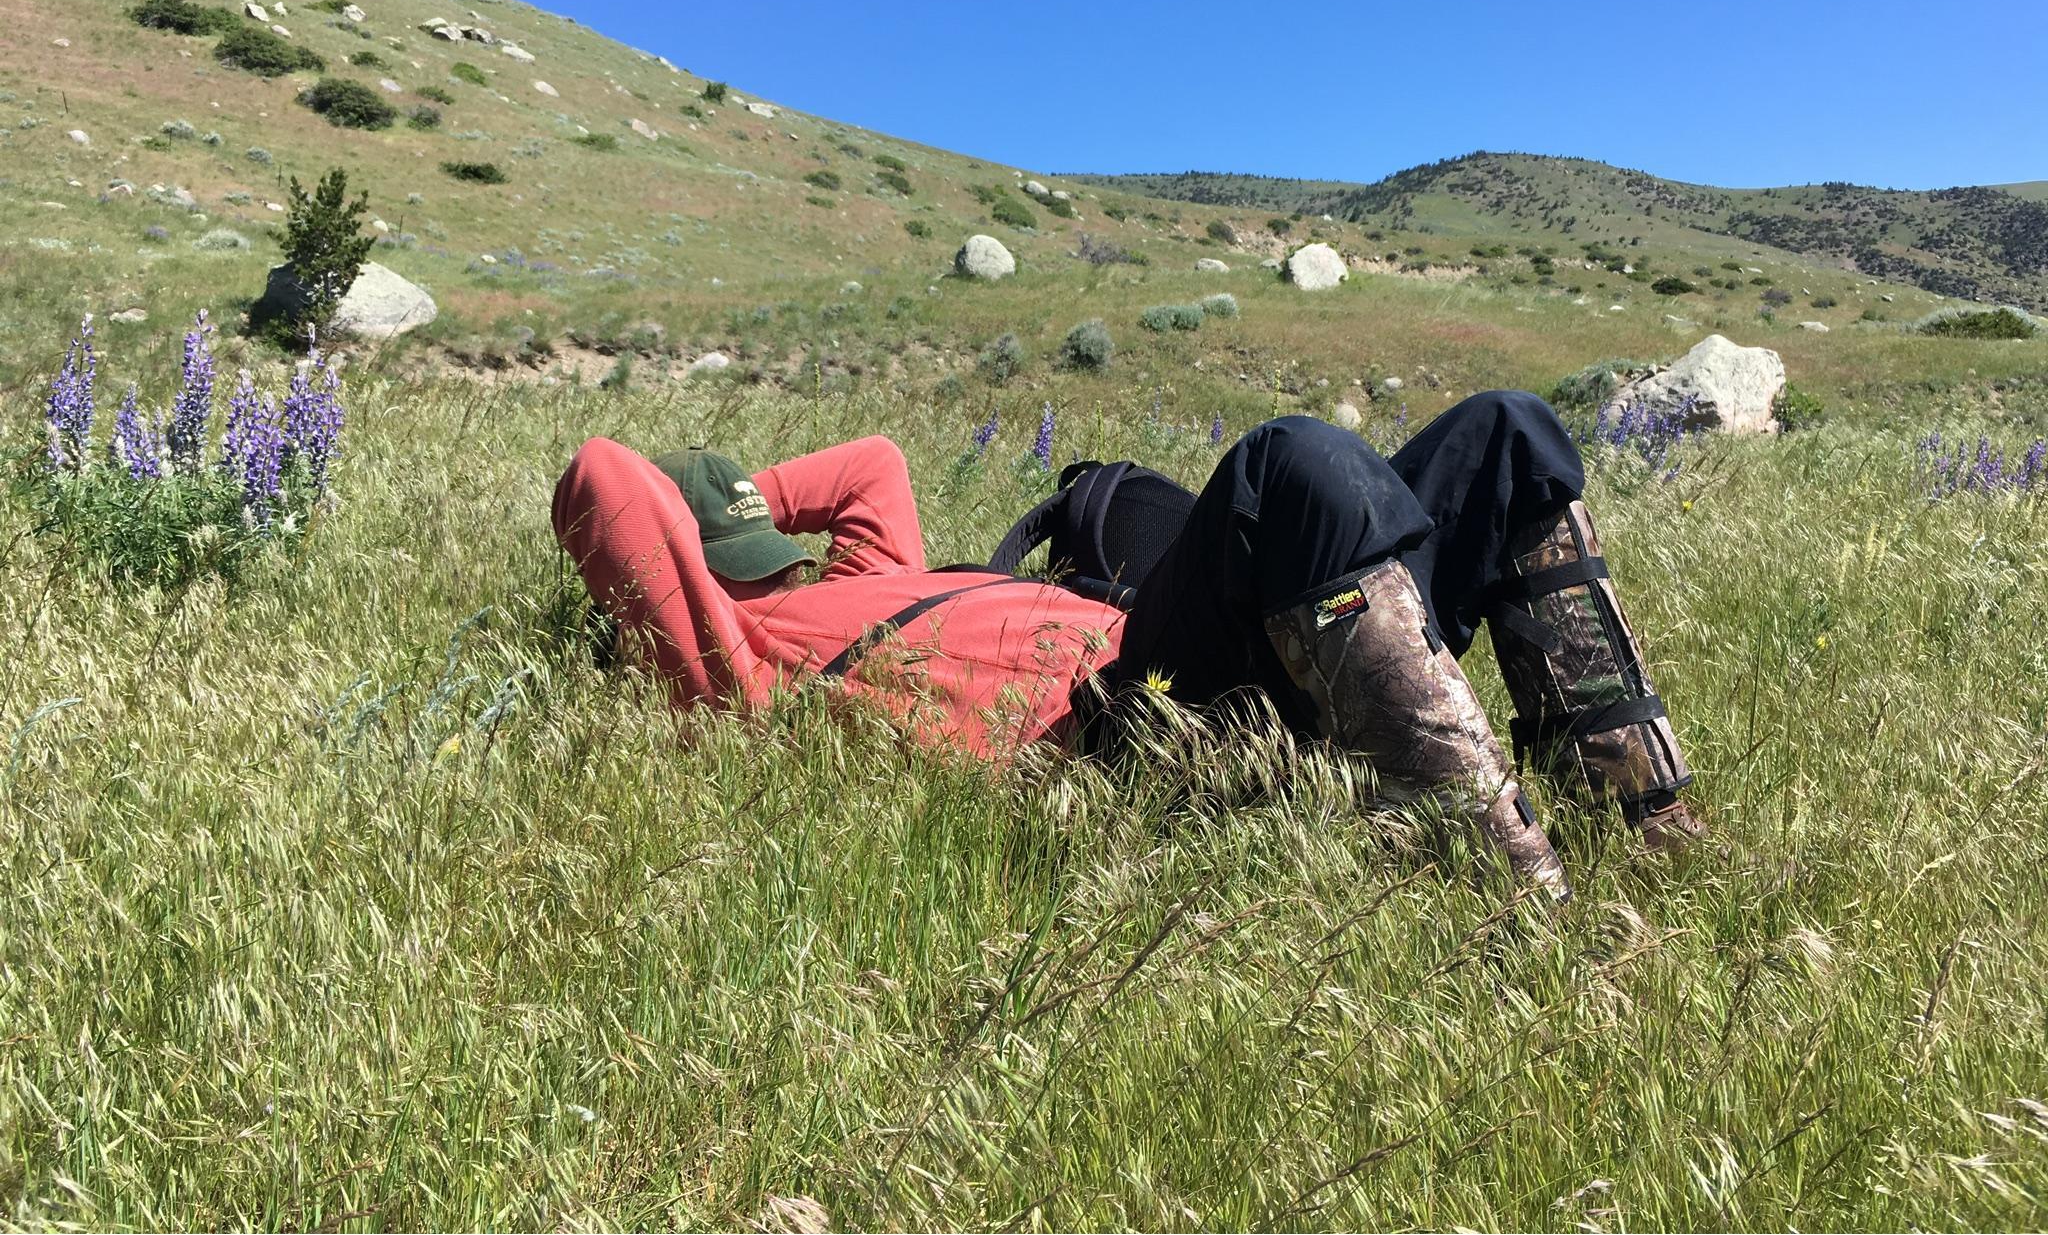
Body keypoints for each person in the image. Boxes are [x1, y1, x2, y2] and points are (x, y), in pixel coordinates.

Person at [550, 391, 1701, 902]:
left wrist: (745, 496)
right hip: (1119, 727)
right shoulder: (738, 663)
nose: (786, 564)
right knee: (1285, 463)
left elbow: (873, 463)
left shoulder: (870, 573)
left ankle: (1647, 832)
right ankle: (1513, 901)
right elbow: (603, 472)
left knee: (1508, 432)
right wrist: (714, 549)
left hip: (1221, 651)